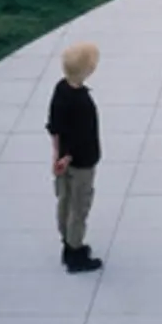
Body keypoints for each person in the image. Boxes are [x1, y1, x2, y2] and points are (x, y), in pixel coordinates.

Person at [48, 41, 104, 273]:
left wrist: (57, 156)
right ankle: (75, 252)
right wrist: (69, 157)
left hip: (63, 160)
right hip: (81, 162)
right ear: (89, 70)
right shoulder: (82, 102)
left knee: (64, 199)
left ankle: (66, 241)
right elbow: (81, 135)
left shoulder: (60, 89)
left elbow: (55, 126)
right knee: (79, 206)